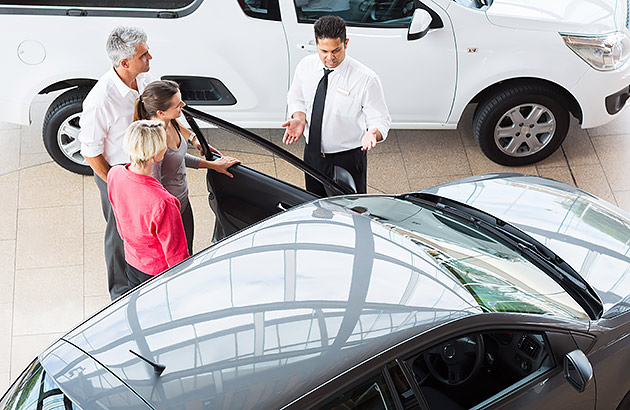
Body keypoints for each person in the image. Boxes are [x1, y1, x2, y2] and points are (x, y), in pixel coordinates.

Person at [78, 26, 154, 300]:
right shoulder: (100, 100)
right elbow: (90, 151)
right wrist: (117, 183)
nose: (150, 58)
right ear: (124, 63)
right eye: (144, 55)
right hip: (117, 174)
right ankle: (120, 293)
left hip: (142, 168)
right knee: (120, 231)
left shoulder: (142, 81)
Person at [282, 15, 391, 196]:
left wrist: (373, 133)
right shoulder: (305, 66)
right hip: (312, 155)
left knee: (351, 211)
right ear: (316, 44)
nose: (330, 57)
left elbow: (381, 119)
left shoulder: (365, 79)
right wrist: (299, 118)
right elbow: (296, 97)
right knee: (315, 203)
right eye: (324, 51)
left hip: (347, 158)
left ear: (346, 43)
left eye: (336, 50)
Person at [134, 80, 241, 254]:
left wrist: (209, 160)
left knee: (187, 250)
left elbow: (177, 157)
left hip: (182, 201)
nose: (183, 106)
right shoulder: (155, 146)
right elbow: (154, 189)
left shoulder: (170, 122)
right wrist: (211, 165)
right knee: (180, 257)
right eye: (177, 105)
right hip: (171, 212)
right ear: (161, 112)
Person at [108, 120, 189, 289]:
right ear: (156, 156)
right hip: (158, 273)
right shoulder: (164, 202)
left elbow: (120, 220)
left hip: (131, 260)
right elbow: (177, 256)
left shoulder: (114, 174)